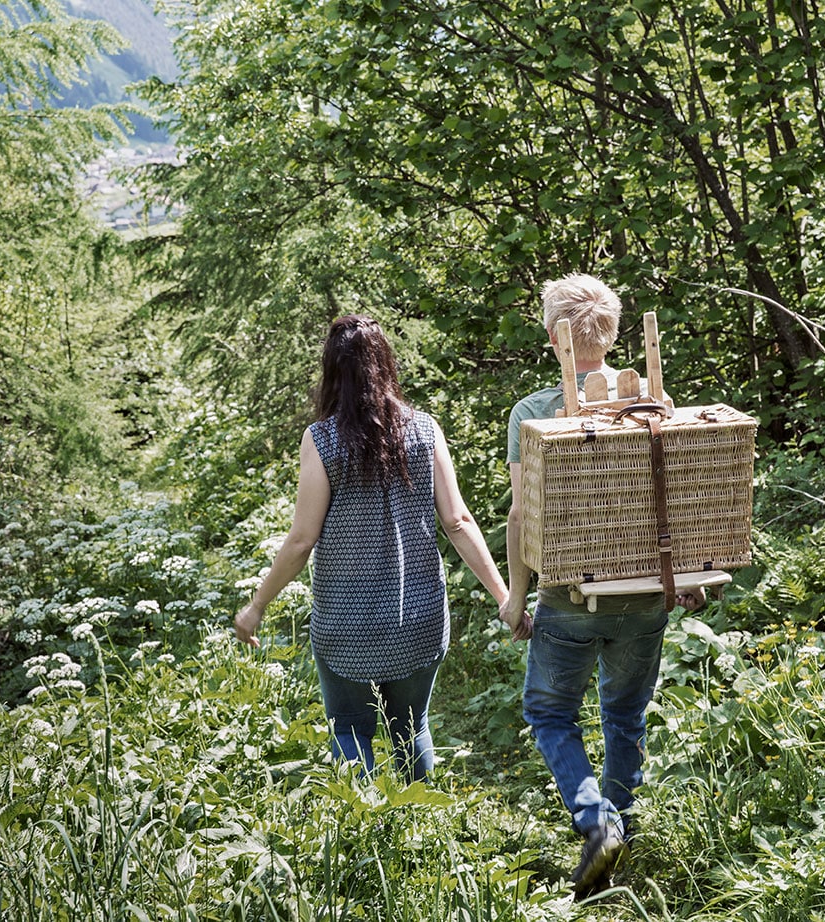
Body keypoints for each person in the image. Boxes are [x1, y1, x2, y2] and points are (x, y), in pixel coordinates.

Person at [235, 314, 509, 782]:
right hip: (417, 617)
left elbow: (302, 540)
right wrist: (505, 597)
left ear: (332, 373)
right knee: (411, 727)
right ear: (386, 365)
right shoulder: (425, 430)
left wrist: (257, 606)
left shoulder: (321, 440)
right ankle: (417, 824)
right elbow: (459, 521)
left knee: (349, 729)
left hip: (346, 623)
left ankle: (364, 833)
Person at [501, 273, 691, 899]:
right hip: (646, 594)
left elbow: (524, 516)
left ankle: (596, 821)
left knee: (550, 710)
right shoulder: (653, 404)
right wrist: (685, 574)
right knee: (626, 715)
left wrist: (516, 593)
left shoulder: (533, 412)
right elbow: (678, 502)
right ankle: (621, 836)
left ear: (553, 332)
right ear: (609, 330)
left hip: (570, 596)